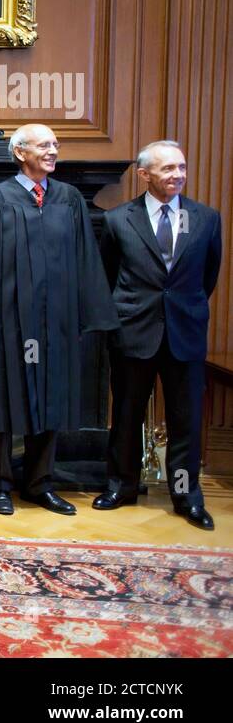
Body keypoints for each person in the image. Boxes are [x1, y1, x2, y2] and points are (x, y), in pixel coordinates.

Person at [0, 123, 119, 516]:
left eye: (55, 144)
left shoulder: (69, 199)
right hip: (8, 321)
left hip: (57, 322)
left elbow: (86, 260)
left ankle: (39, 483)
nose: (53, 150)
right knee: (3, 401)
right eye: (44, 145)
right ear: (20, 152)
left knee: (51, 400)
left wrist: (87, 315)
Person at [95, 141, 222, 530]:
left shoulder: (206, 218)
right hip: (134, 332)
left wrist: (185, 309)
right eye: (167, 169)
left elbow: (208, 275)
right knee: (127, 416)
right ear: (144, 173)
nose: (177, 175)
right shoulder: (118, 220)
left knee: (186, 420)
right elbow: (108, 275)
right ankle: (122, 486)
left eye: (181, 167)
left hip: (185, 333)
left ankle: (186, 497)